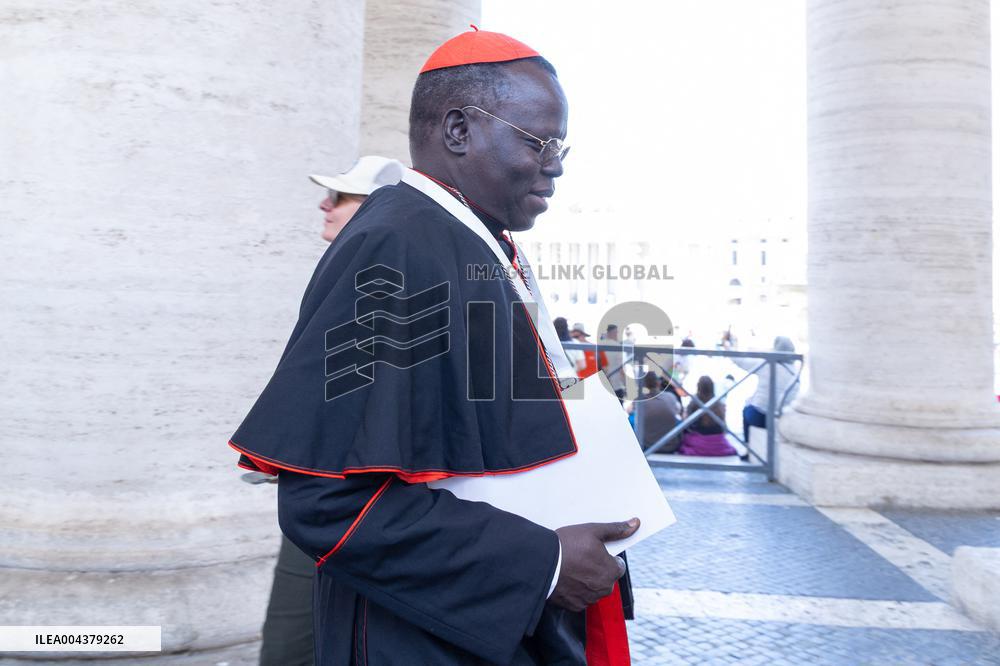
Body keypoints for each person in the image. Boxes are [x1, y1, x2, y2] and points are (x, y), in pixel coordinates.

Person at [229, 29, 638, 665]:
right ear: (457, 130)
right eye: (540, 141)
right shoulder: (395, 244)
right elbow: (329, 501)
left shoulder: (477, 240)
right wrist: (547, 565)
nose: (555, 164)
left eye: (562, 145)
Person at [258, 156, 404, 666]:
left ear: (375, 206)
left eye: (340, 196)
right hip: (321, 500)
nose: (325, 204)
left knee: (291, 650)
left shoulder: (383, 280)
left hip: (350, 509)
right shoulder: (354, 272)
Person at [733, 335, 800, 445]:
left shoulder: (767, 364)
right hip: (783, 419)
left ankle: (748, 447)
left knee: (746, 408)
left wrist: (731, 347)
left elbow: (740, 361)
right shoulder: (795, 370)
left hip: (761, 417)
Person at [678, 375, 738, 457]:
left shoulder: (694, 402)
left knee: (684, 439)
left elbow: (687, 423)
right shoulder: (718, 403)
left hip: (699, 440)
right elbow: (723, 427)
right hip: (718, 441)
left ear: (698, 386)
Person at [634, 371, 683, 452]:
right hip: (671, 446)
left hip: (647, 447)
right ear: (658, 383)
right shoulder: (671, 397)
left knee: (633, 419)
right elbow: (679, 412)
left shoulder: (639, 401)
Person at [601, 325, 629, 402]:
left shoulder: (600, 345)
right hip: (616, 385)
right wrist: (626, 386)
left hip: (603, 383)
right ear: (614, 333)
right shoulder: (618, 346)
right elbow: (622, 370)